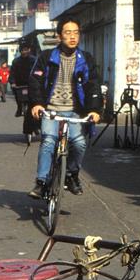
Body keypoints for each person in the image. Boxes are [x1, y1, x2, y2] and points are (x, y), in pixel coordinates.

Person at [27, 18, 102, 198]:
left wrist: (94, 110)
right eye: (68, 33)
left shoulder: (86, 59)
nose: (72, 36)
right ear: (60, 36)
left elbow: (93, 85)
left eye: (76, 32)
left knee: (79, 143)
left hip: (75, 112)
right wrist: (37, 103)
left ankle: (71, 175)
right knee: (48, 141)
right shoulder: (47, 57)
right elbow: (35, 81)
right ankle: (41, 182)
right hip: (51, 110)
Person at [9, 42, 36, 117]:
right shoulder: (16, 61)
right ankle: (19, 108)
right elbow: (12, 73)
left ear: (29, 50)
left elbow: (38, 72)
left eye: (26, 50)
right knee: (17, 95)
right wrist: (12, 82)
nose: (24, 52)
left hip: (31, 84)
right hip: (19, 84)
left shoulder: (34, 60)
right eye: (22, 50)